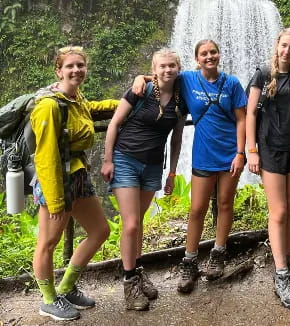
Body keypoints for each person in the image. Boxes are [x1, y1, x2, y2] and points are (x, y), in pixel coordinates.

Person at [133, 40, 247, 294]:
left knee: (225, 203)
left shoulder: (233, 84)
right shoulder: (187, 79)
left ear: (219, 55)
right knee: (197, 209)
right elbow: (163, 74)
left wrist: (241, 153)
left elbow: (242, 119)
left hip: (229, 153)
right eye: (204, 53)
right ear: (196, 59)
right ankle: (190, 260)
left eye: (213, 52)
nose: (209, 56)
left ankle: (218, 253)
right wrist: (140, 78)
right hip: (203, 154)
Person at [31, 46, 118, 321]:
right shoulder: (48, 105)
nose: (76, 70)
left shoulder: (74, 97)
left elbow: (90, 109)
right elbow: (45, 158)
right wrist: (56, 199)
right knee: (48, 241)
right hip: (56, 181)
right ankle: (47, 299)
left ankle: (66, 287)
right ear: (58, 70)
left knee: (100, 230)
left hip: (77, 175)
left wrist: (125, 101)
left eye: (80, 65)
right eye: (70, 66)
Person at [101, 48, 186, 310]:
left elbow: (177, 139)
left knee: (139, 223)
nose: (167, 70)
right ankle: (129, 283)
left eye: (172, 65)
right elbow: (115, 123)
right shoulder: (140, 90)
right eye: (162, 66)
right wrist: (107, 159)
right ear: (154, 69)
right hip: (125, 159)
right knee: (131, 223)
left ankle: (137, 271)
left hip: (152, 167)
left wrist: (172, 172)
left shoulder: (181, 99)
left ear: (178, 68)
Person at [246, 28, 290, 309]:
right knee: (279, 212)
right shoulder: (263, 74)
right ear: (277, 45)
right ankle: (281, 274)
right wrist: (251, 150)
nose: (286, 51)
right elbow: (251, 112)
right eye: (283, 46)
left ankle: (285, 265)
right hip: (270, 149)